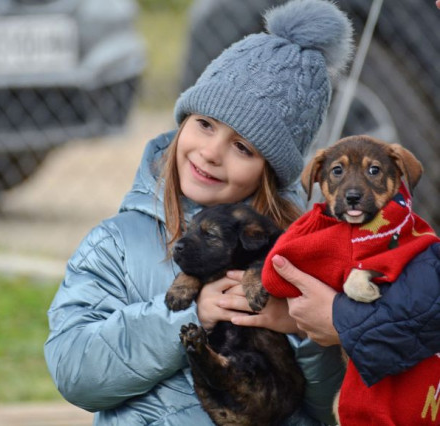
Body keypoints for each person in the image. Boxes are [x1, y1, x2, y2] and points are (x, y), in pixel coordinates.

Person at [45, 0, 353, 424]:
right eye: (205, 124)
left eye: (242, 147)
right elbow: (75, 371)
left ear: (270, 170)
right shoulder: (115, 244)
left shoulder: (300, 256)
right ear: (183, 120)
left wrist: (302, 330)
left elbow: (328, 408)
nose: (210, 153)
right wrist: (191, 315)